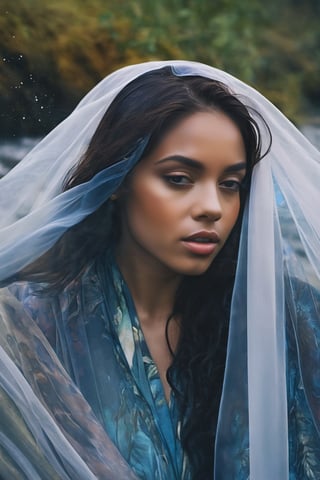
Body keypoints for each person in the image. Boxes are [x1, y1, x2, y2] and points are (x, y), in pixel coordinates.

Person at [0, 61, 319, 480]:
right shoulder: (27, 327)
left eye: (230, 184)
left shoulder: (292, 320)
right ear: (116, 179)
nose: (212, 207)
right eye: (180, 178)